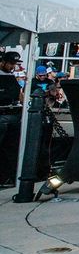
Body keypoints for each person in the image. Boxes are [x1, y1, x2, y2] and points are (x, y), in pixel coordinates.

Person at [0, 51, 23, 185]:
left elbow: (18, 94)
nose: (13, 67)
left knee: (10, 146)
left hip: (12, 113)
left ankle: (7, 174)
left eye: (14, 64)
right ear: (3, 62)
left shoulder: (11, 76)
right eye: (11, 64)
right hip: (3, 115)